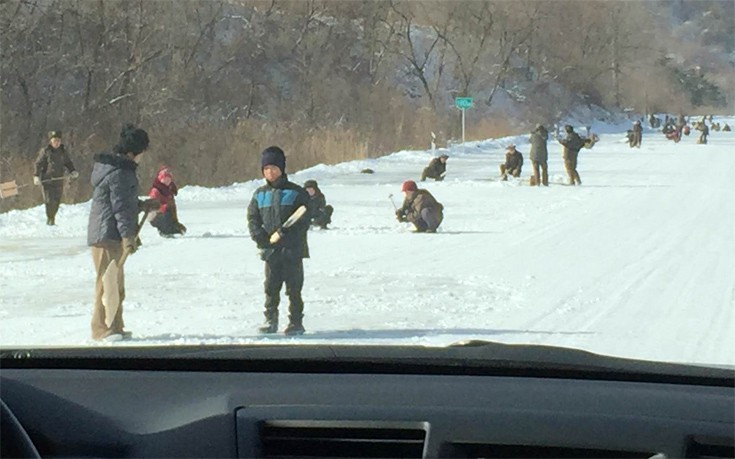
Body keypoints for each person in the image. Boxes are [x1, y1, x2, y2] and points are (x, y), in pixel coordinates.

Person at [87, 124, 158, 341]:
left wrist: (142, 205)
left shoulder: (118, 170)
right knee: (107, 283)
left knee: (115, 283)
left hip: (110, 232)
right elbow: (119, 208)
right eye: (141, 153)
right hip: (107, 234)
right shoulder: (120, 172)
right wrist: (128, 236)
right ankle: (102, 328)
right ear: (132, 152)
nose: (141, 158)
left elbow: (124, 203)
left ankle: (115, 326)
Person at [247, 146, 310, 335]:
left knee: (294, 288)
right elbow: (253, 218)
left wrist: (286, 234)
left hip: (292, 250)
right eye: (266, 169)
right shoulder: (259, 194)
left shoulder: (296, 193)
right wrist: (260, 237)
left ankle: (296, 322)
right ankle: (270, 319)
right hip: (271, 250)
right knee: (271, 288)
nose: (270, 172)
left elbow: (304, 219)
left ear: (282, 168)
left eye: (273, 168)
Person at [33, 131, 78, 225]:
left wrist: (73, 171)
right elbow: (38, 164)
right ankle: (50, 218)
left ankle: (53, 217)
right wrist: (36, 176)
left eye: (58, 141)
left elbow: (68, 163)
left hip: (59, 179)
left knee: (57, 200)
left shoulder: (63, 151)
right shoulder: (46, 151)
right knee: (49, 200)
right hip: (47, 180)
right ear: (51, 141)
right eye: (54, 141)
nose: (56, 143)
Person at [148, 166, 186, 237]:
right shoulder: (156, 191)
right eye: (165, 179)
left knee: (170, 207)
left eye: (168, 179)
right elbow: (153, 206)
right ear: (160, 179)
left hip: (166, 213)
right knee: (167, 209)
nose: (167, 181)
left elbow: (173, 206)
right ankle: (164, 231)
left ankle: (172, 227)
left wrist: (175, 221)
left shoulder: (169, 190)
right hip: (155, 215)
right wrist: (164, 207)